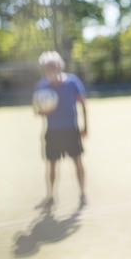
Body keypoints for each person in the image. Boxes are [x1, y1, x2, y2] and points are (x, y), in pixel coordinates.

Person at [34, 51, 88, 209]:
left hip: (71, 130)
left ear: (60, 65)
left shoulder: (72, 82)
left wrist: (85, 126)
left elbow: (83, 103)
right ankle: (51, 195)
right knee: (51, 165)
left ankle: (83, 194)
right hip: (52, 132)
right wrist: (43, 110)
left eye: (53, 65)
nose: (51, 68)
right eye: (47, 66)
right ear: (44, 69)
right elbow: (37, 110)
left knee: (78, 161)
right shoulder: (41, 86)